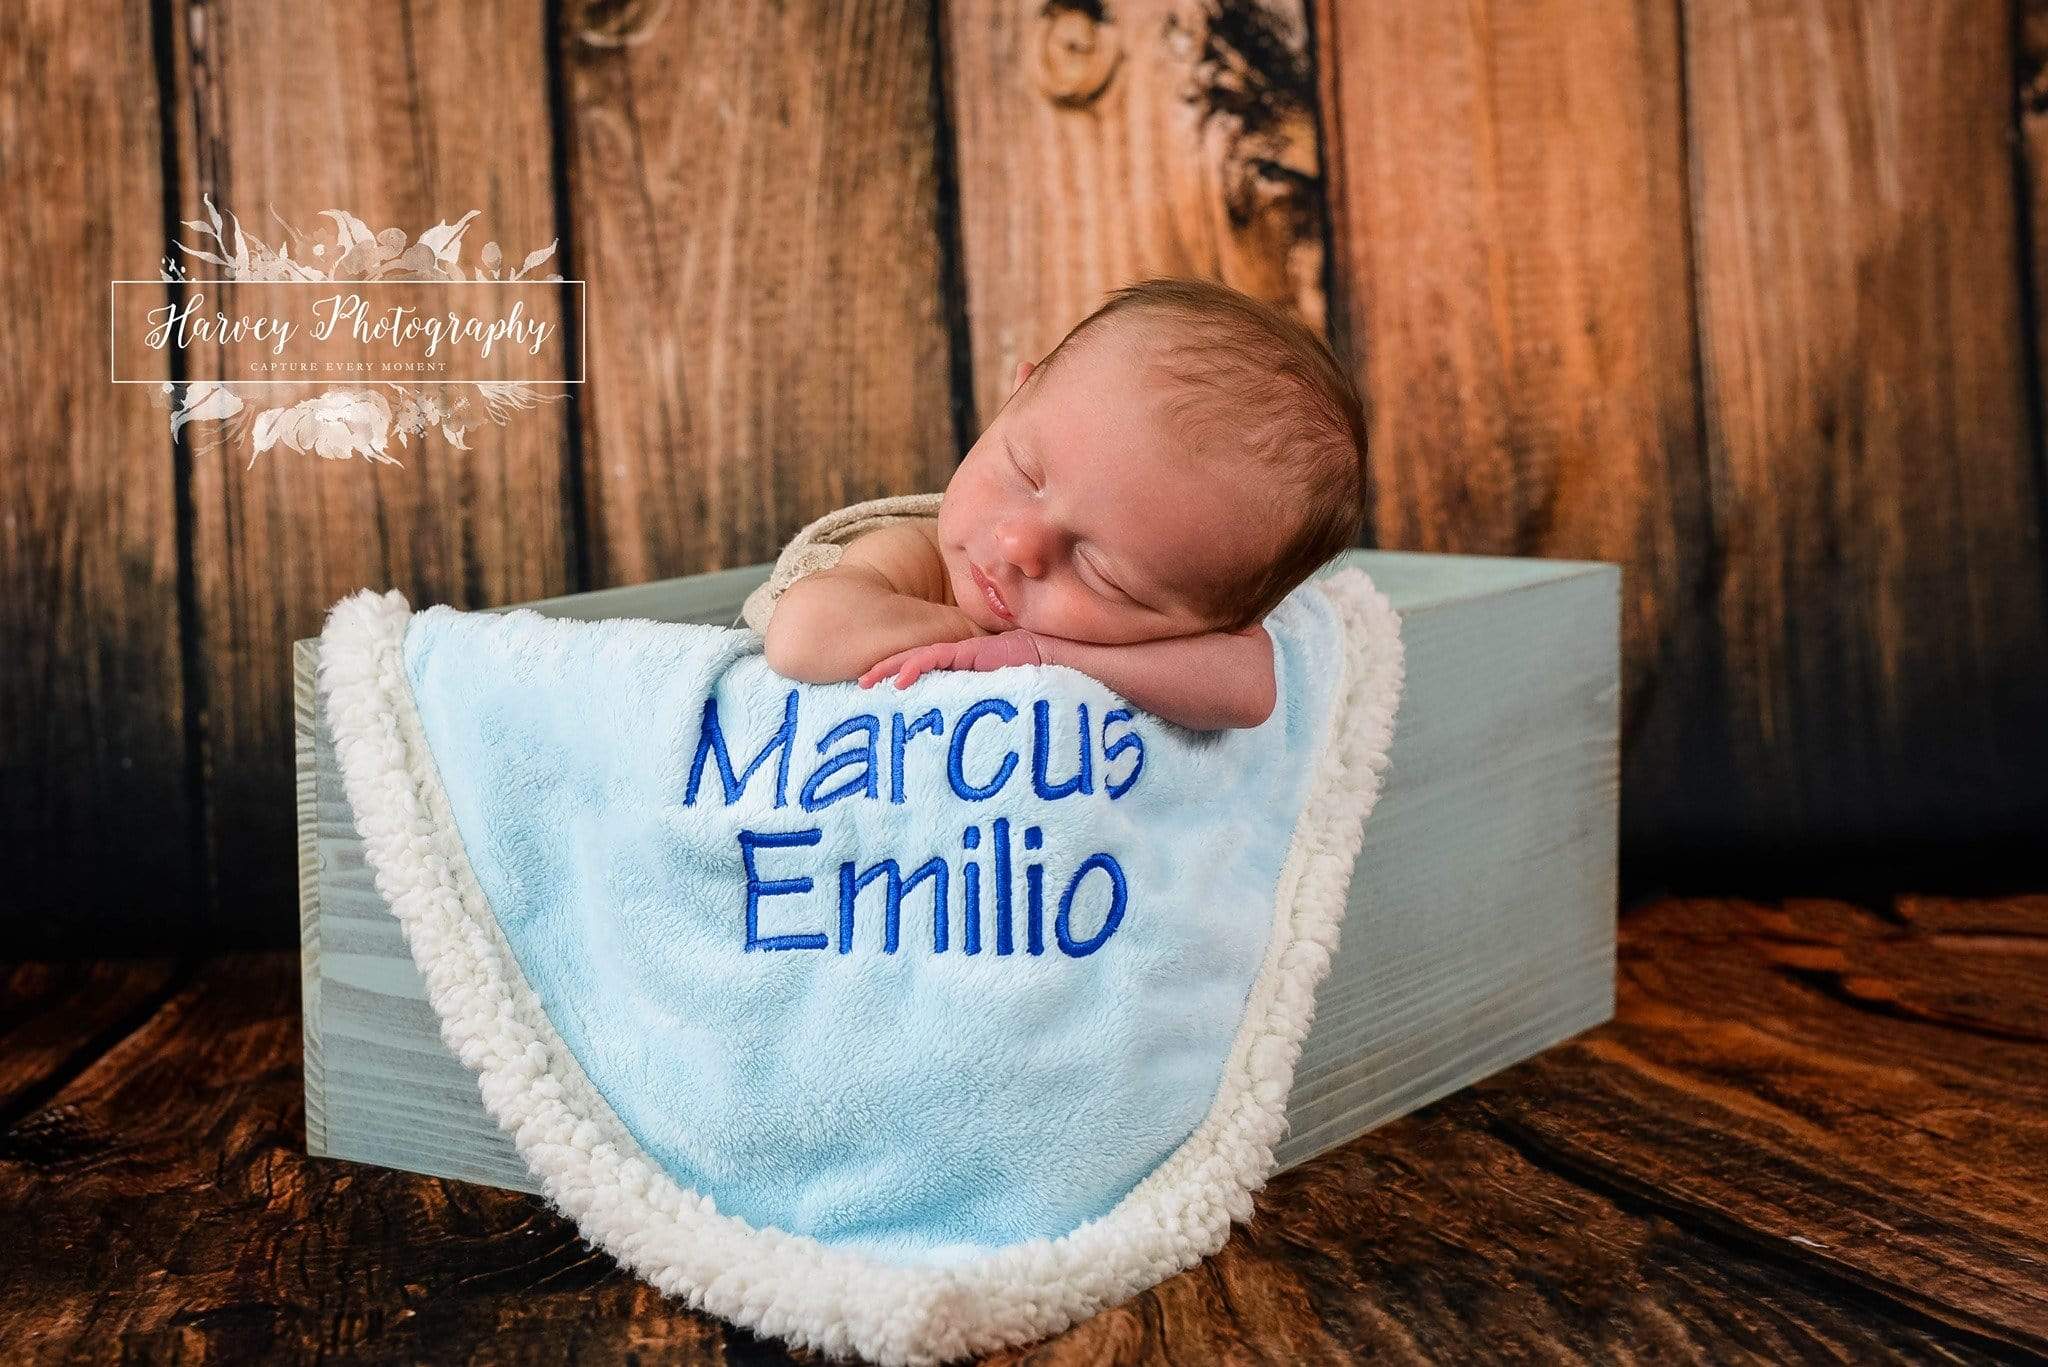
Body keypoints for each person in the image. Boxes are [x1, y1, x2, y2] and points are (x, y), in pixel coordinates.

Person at [762, 277, 1369, 732]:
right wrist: (970, 634)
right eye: (1024, 473)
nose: (1020, 546)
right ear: (1016, 395)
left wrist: (1040, 653)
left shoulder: (1186, 635)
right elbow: (800, 637)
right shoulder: (916, 551)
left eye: (1102, 573)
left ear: (1218, 620)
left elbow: (1249, 687)